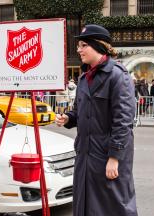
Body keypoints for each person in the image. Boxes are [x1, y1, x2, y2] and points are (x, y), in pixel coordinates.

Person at [55, 24, 138, 216]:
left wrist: (114, 157)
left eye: (83, 45)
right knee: (85, 206)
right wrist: (68, 117)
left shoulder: (118, 75)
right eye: (79, 46)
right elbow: (80, 111)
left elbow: (124, 121)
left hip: (107, 156)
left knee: (115, 206)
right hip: (85, 154)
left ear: (98, 46)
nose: (79, 50)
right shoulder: (84, 78)